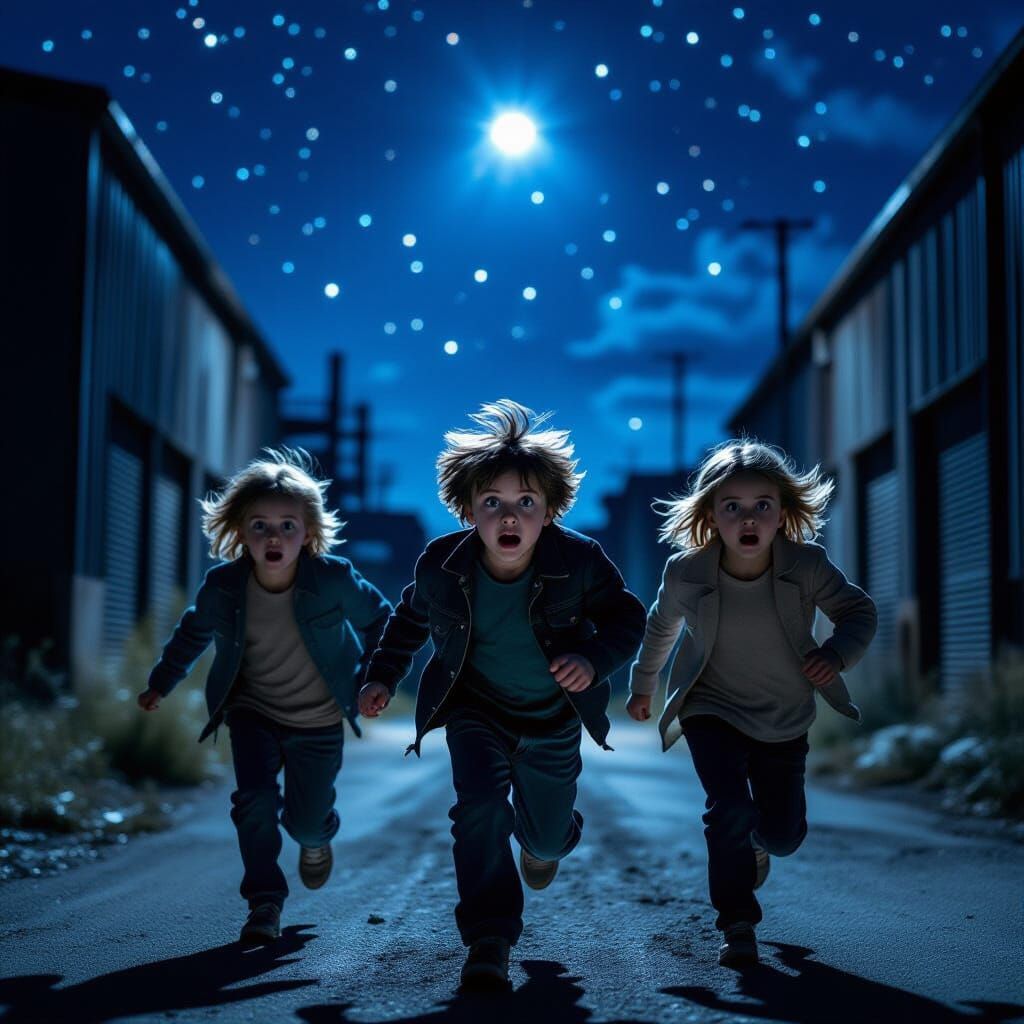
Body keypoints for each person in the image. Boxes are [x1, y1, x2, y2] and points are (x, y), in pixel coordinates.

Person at [359, 400, 646, 989]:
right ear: (468, 509)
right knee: (480, 810)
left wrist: (593, 660)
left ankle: (550, 837)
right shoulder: (441, 564)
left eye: (526, 503)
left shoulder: (580, 561)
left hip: (553, 719)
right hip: (476, 711)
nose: (509, 516)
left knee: (544, 837)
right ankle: (489, 938)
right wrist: (382, 675)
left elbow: (627, 618)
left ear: (550, 511)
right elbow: (408, 622)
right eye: (492, 502)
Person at [626, 438, 876, 967]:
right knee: (728, 810)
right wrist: (643, 686)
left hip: (783, 715)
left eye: (762, 505)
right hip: (710, 708)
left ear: (782, 513)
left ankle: (760, 842)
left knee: (783, 835)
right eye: (732, 506)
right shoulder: (687, 571)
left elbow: (858, 612)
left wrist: (835, 654)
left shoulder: (806, 565)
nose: (748, 518)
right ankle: (737, 924)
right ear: (711, 516)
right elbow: (661, 628)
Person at [138, 448, 391, 944]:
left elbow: (382, 619)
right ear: (240, 531)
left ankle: (317, 837)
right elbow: (192, 633)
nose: (274, 537)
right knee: (253, 800)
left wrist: (373, 677)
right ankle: (264, 902)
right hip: (252, 713)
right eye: (260, 526)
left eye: (287, 526)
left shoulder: (334, 579)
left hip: (318, 719)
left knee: (307, 823)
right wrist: (161, 682)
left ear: (308, 532)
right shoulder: (224, 586)